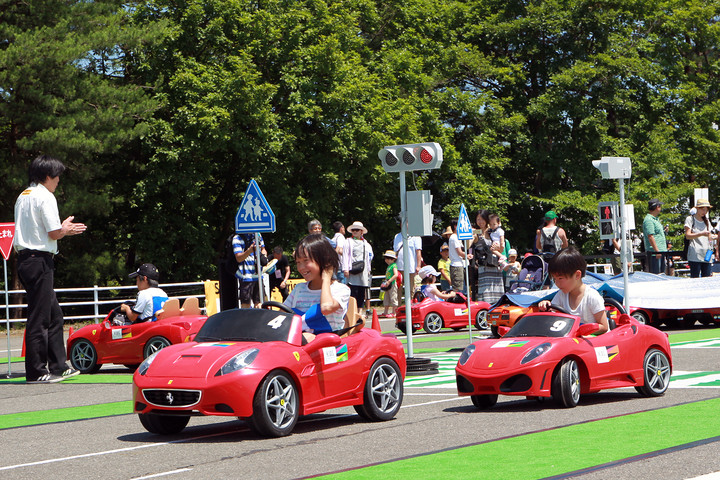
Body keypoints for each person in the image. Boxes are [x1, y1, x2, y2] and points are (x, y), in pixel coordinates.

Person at [14, 154, 86, 383]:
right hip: (39, 260)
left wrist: (61, 229)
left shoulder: (23, 195)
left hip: (25, 259)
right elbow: (54, 233)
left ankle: (58, 366)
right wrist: (66, 229)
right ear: (47, 176)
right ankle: (36, 371)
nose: (58, 181)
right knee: (40, 317)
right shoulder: (45, 196)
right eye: (56, 177)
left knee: (54, 314)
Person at [284, 234, 350, 342]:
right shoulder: (299, 289)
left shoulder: (341, 290)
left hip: (330, 346)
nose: (301, 268)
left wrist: (326, 278)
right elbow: (282, 314)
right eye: (298, 262)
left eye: (306, 260)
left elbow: (326, 308)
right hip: (299, 345)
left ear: (325, 261)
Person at [538, 246, 609, 334]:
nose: (557, 283)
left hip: (592, 339)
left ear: (577, 275)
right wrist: (546, 307)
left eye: (560, 278)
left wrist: (580, 331)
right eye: (554, 279)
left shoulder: (592, 297)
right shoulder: (561, 295)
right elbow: (552, 315)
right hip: (571, 338)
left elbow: (604, 326)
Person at [473, 210, 504, 303]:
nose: (480, 222)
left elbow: (501, 249)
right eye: (478, 219)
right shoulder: (476, 232)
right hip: (484, 266)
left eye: (482, 219)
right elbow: (469, 244)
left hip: (495, 265)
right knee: (485, 294)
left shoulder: (493, 231)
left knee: (497, 294)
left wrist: (498, 247)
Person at [232, 233, 267, 308]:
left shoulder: (257, 234)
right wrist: (249, 251)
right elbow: (239, 258)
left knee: (260, 304)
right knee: (246, 304)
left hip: (258, 275)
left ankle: (258, 316)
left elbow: (263, 249)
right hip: (246, 277)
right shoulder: (237, 238)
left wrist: (264, 257)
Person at [684, 199, 717, 278]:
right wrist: (701, 234)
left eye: (706, 210)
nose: (704, 212)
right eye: (702, 209)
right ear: (697, 208)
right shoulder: (690, 219)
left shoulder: (707, 221)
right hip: (695, 254)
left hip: (707, 254)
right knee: (695, 278)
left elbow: (710, 236)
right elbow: (688, 235)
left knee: (707, 278)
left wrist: (714, 237)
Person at [346, 221, 373, 310]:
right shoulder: (348, 241)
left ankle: (360, 312)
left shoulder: (366, 243)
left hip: (363, 270)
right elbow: (345, 256)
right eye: (353, 230)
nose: (355, 231)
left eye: (357, 230)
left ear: (361, 231)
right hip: (352, 270)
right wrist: (346, 269)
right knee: (353, 292)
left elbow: (370, 257)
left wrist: (368, 269)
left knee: (362, 292)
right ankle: (353, 312)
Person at [393, 226, 423, 298]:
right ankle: (398, 305)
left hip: (411, 268)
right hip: (398, 267)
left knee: (411, 289)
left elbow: (418, 252)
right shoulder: (397, 236)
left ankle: (411, 304)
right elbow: (395, 251)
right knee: (397, 289)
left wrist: (418, 266)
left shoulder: (416, 237)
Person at [642, 199, 667, 274]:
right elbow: (650, 236)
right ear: (656, 207)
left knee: (662, 274)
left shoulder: (656, 219)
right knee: (656, 275)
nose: (660, 208)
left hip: (661, 251)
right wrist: (657, 251)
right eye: (659, 206)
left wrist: (664, 231)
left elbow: (656, 234)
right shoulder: (649, 220)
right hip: (654, 253)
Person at [447, 220, 468, 292]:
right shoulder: (454, 237)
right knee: (458, 289)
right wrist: (467, 256)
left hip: (459, 265)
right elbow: (459, 252)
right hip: (456, 265)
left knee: (461, 287)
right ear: (456, 226)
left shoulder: (457, 237)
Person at [380, 250, 399, 317]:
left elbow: (396, 274)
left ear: (393, 259)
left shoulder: (394, 265)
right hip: (387, 283)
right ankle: (385, 312)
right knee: (386, 297)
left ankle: (394, 312)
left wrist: (389, 281)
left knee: (393, 297)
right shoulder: (389, 266)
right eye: (386, 258)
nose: (386, 260)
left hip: (392, 283)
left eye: (388, 259)